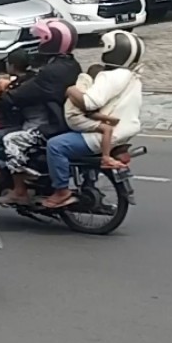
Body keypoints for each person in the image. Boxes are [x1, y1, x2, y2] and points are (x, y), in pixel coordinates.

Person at [43, 30, 145, 209]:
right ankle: (88, 181)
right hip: (123, 131)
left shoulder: (110, 76)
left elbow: (90, 102)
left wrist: (71, 91)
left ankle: (61, 191)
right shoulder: (134, 78)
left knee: (55, 146)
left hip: (103, 134)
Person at [0, 18, 82, 206]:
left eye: (42, 39)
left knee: (11, 140)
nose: (40, 43)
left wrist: (3, 98)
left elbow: (26, 92)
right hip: (64, 118)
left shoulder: (51, 72)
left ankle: (19, 191)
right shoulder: (70, 64)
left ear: (51, 40)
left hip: (52, 124)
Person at [0, 48, 35, 170]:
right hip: (22, 119)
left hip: (26, 123)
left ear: (13, 66)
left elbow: (9, 102)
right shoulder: (27, 79)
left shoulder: (24, 84)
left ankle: (8, 169)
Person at [63, 64, 125, 169]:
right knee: (107, 129)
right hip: (76, 119)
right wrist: (109, 119)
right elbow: (89, 112)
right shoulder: (87, 94)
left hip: (76, 117)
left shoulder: (79, 87)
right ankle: (106, 157)